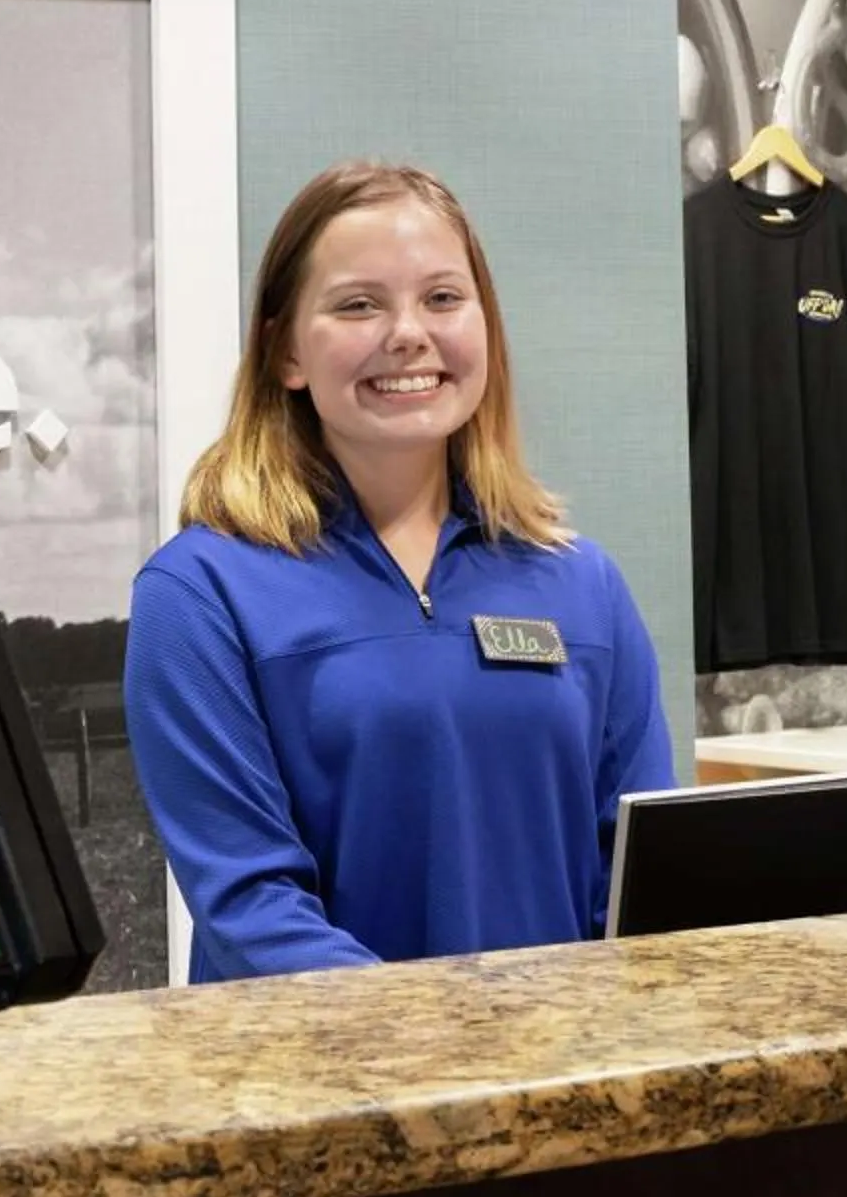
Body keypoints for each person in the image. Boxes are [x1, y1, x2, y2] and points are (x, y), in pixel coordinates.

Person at [126, 161, 673, 981]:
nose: (409, 333)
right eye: (358, 304)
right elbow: (252, 906)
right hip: (320, 1088)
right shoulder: (200, 594)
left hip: (561, 1079)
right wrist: (448, 1048)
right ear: (285, 353)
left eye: (443, 298)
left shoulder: (584, 583)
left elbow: (637, 883)